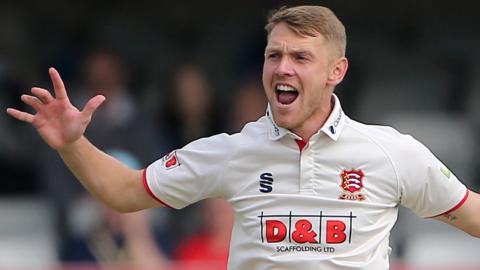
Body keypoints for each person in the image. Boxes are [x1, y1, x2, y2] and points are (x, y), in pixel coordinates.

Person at [6, 5, 480, 270]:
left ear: (338, 71)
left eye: (300, 57)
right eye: (274, 55)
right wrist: (72, 144)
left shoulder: (391, 152)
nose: (282, 68)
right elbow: (125, 193)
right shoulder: (230, 151)